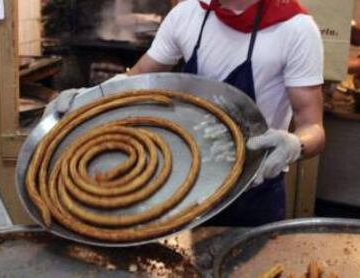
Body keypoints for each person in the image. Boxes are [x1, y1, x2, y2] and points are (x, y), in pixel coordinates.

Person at [47, 0, 325, 227]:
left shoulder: (295, 28)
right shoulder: (188, 15)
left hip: (252, 192)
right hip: (184, 185)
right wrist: (88, 98)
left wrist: (294, 144)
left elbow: (313, 127)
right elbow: (140, 75)